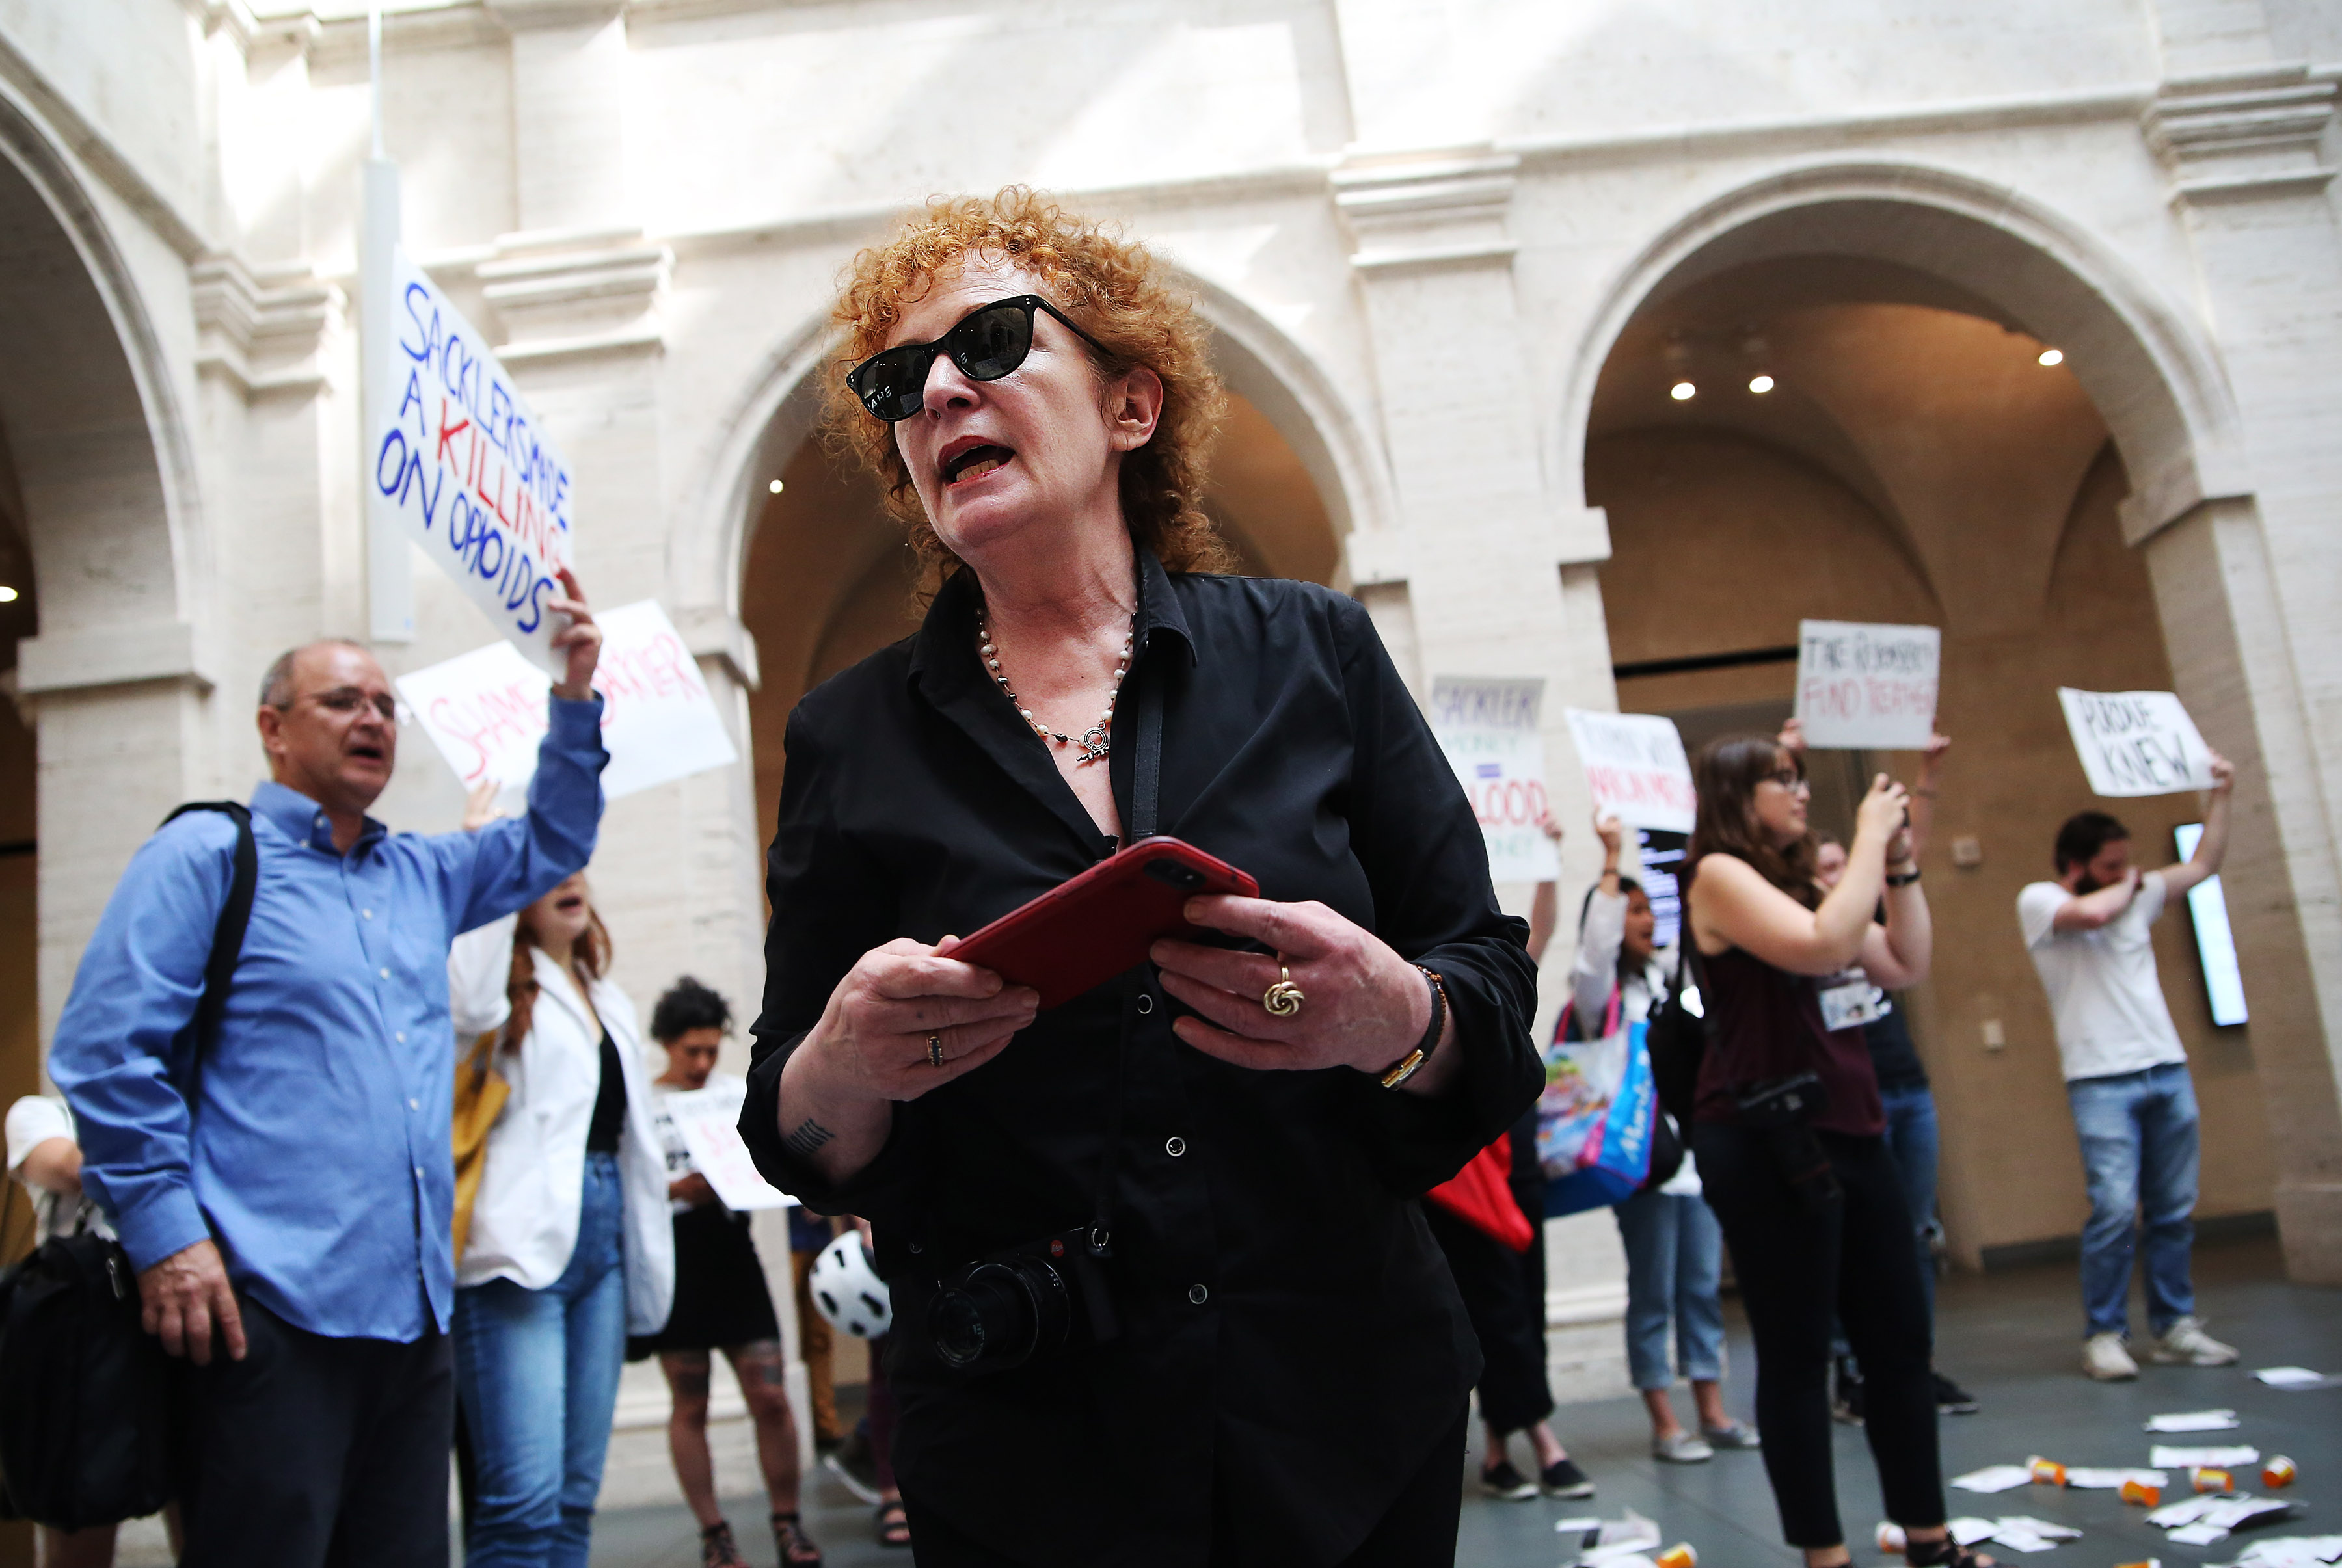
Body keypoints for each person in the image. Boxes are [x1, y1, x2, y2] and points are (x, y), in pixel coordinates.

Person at [737, 187, 1541, 1567]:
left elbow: (1488, 986)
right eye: (895, 379)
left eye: (989, 340)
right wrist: (845, 1060)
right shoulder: (848, 735)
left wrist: (1397, 1013)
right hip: (1032, 1449)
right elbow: (787, 1122)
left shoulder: (1316, 655)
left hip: (1340, 1415)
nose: (933, 388)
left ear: (1132, 407)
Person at [47, 579, 608, 1568]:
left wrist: (573, 696)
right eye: (345, 700)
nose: (374, 719)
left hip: (413, 1315)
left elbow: (554, 841)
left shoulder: (426, 874)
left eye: (387, 705)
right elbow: (105, 1051)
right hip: (265, 1307)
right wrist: (169, 1238)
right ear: (273, 726)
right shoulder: (206, 856)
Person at [1684, 734, 1986, 1568]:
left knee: (1900, 1341)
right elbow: (1820, 943)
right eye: (1783, 781)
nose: (1800, 792)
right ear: (1738, 795)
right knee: (1796, 1351)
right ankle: (1826, 1555)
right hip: (1764, 1137)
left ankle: (1929, 1540)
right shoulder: (1716, 873)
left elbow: (1902, 961)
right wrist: (1863, 838)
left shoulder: (1807, 876)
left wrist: (1900, 865)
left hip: (1852, 1121)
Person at [446, 868, 675, 1568]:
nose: (569, 879)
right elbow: (463, 1000)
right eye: (546, 869)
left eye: (576, 866)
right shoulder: (499, 991)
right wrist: (487, 851)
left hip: (603, 1247)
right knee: (522, 1503)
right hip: (518, 1255)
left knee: (575, 1500)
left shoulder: (608, 999)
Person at [2017, 756, 2240, 1381]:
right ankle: (2104, 1333)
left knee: (2173, 1206)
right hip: (2100, 1079)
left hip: (2165, 1067)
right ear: (2075, 865)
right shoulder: (2041, 901)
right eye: (2109, 865)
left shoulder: (2136, 897)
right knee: (2115, 1207)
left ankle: (2175, 1325)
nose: (2124, 875)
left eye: (2125, 863)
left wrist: (2217, 797)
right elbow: (2091, 914)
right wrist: (2136, 881)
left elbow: (2202, 866)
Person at [1560, 814, 1757, 1465]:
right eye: (1632, 910)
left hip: (1691, 1164)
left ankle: (1712, 1409)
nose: (1646, 920)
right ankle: (1664, 1420)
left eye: (1651, 909)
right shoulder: (1599, 995)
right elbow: (1593, 948)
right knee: (1652, 1291)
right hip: (1638, 1168)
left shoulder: (1672, 983)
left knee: (1700, 1287)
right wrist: (1612, 858)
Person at [1801, 729, 1978, 1423]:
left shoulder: (1871, 925)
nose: (1838, 872)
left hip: (1903, 1083)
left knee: (1916, 1227)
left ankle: (1912, 1359)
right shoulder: (1802, 930)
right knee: (1850, 1235)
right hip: (1843, 1098)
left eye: (1846, 861)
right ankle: (1852, 1368)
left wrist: (1925, 778)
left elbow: (1911, 852)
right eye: (1825, 865)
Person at [629, 976, 822, 1568]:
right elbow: (628, 1189)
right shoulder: (643, 1102)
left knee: (769, 1394)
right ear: (667, 1043)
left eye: (712, 1049)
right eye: (692, 1050)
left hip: (732, 1253)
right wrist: (675, 1191)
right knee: (690, 1401)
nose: (703, 1061)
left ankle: (787, 1521)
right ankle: (714, 1532)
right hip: (676, 1258)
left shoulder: (727, 1095)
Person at [1434, 814, 1594, 1504]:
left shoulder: (1492, 961)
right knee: (1494, 1300)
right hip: (1461, 1164)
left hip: (1511, 1149)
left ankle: (1502, 1449)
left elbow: (1541, 933)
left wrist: (1552, 857)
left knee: (1523, 1293)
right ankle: (1541, 1440)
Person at [5, 1095, 183, 1568]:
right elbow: (68, 1168)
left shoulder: (177, 1103)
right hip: (86, 1345)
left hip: (176, 1322)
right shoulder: (40, 1113)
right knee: (82, 1513)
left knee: (197, 1504)